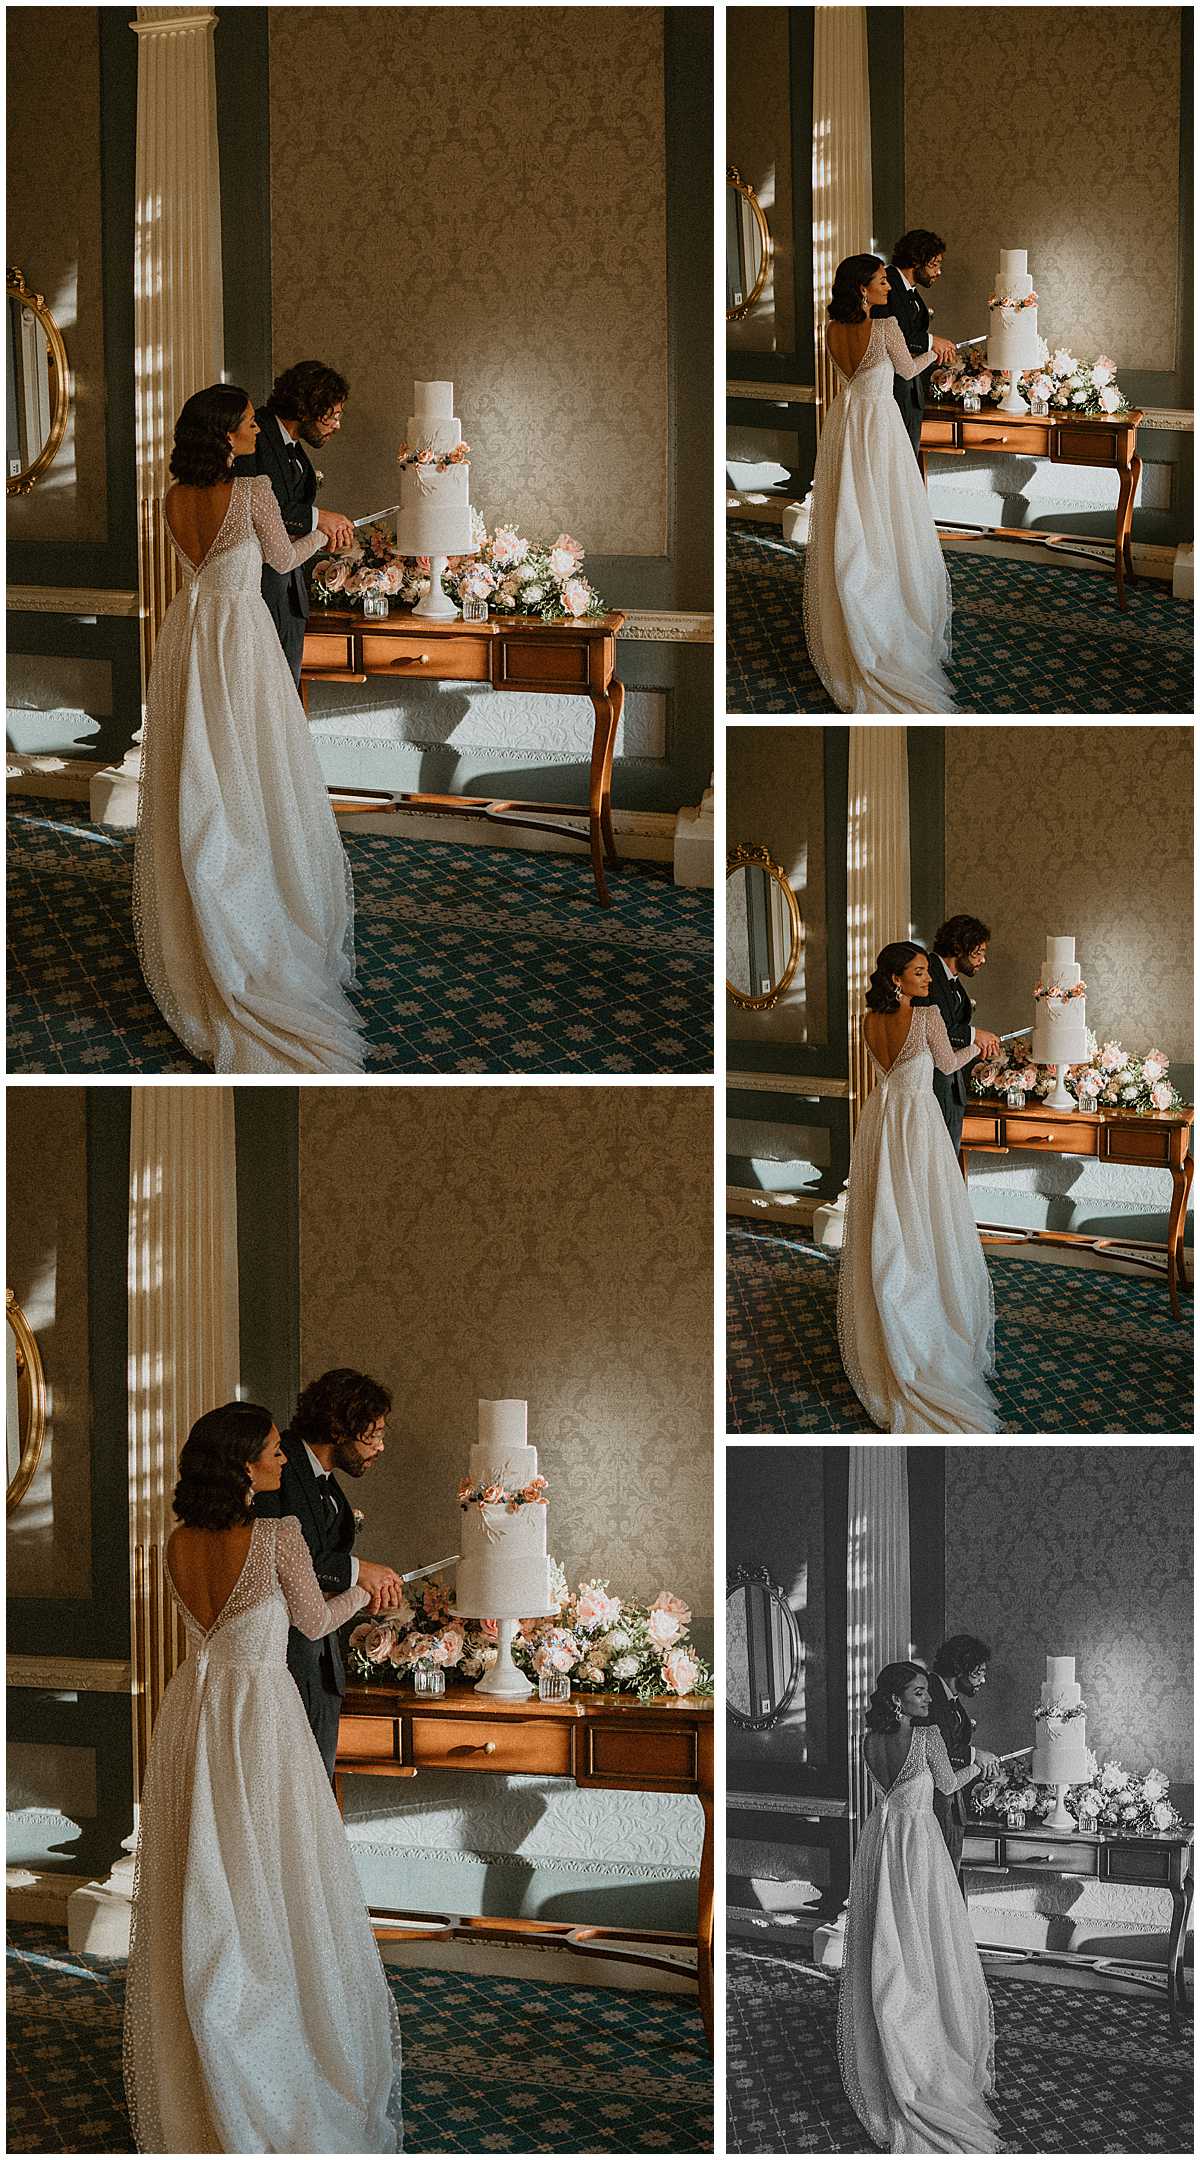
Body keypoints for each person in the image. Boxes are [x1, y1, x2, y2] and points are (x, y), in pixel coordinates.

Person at [123, 1401, 403, 2152]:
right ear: (243, 1461)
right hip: (260, 1715)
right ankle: (272, 2053)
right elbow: (313, 1624)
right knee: (275, 1875)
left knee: (205, 1870)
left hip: (197, 1711)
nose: (283, 1459)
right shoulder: (277, 1535)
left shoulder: (176, 1542)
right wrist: (371, 1591)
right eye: (274, 1451)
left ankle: (208, 2033)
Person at [133, 383, 365, 1074]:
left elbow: (194, 567)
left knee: (197, 764)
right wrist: (327, 532)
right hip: (240, 636)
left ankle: (203, 907)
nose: (250, 431)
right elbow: (283, 561)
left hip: (190, 633)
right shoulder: (256, 489)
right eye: (242, 424)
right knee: (255, 768)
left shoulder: (170, 499)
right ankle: (252, 920)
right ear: (226, 432)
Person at [837, 1661, 1003, 2153]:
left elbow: (890, 1791)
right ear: (896, 1699)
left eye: (927, 1693)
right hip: (918, 1842)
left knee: (886, 1929)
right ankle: (924, 2038)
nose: (928, 1700)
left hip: (882, 1840)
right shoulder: (928, 1737)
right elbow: (948, 1787)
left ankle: (892, 2010)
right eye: (918, 1693)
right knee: (926, 1933)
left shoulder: (867, 1742)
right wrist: (982, 1762)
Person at [837, 940, 1002, 1432]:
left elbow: (888, 1069)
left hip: (882, 1116)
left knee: (886, 1206)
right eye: (918, 973)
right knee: (925, 1211)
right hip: (917, 1118)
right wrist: (981, 1044)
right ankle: (921, 1315)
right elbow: (949, 1065)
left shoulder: (867, 1020)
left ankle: (891, 1293)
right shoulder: (927, 1016)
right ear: (895, 979)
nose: (927, 980)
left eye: (928, 973)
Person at [803, 254, 956, 713]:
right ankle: (885, 613)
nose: (887, 288)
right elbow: (908, 371)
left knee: (850, 507)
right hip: (880, 423)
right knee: (887, 511)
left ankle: (854, 595)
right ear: (861, 289)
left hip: (847, 421)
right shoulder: (885, 326)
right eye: (879, 283)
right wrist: (937, 351)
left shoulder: (830, 330)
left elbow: (852, 375)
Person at [256, 1368, 405, 1782]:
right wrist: (361, 1572)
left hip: (321, 1664)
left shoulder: (327, 1485)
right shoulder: (277, 1465)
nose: (380, 1447)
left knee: (315, 1793)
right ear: (340, 1428)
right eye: (372, 1435)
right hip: (283, 1662)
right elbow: (279, 1554)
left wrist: (360, 1586)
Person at [234, 360, 355, 686]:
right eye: (334, 414)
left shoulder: (295, 450)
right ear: (309, 406)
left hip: (290, 595)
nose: (337, 425)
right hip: (256, 591)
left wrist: (319, 531)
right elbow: (250, 504)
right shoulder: (252, 432)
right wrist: (319, 520)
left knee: (285, 694)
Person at [870, 228, 958, 461]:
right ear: (916, 260)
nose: (938, 272)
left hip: (910, 389)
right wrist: (932, 342)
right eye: (934, 264)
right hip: (892, 389)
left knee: (907, 459)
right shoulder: (886, 285)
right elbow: (890, 332)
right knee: (896, 461)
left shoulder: (910, 291)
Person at [926, 1635, 1000, 1887]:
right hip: (935, 1803)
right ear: (960, 1669)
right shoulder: (929, 1694)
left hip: (952, 1801)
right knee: (941, 1878)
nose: (983, 1680)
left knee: (950, 1874)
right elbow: (937, 1747)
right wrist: (974, 1755)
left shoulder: (950, 1699)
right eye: (978, 1673)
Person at [923, 916, 999, 1153]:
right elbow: (937, 1028)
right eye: (978, 953)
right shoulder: (928, 973)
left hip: (953, 1084)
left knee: (949, 1157)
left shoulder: (951, 980)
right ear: (959, 947)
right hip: (933, 1083)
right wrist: (975, 1035)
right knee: (939, 1156)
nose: (983, 960)